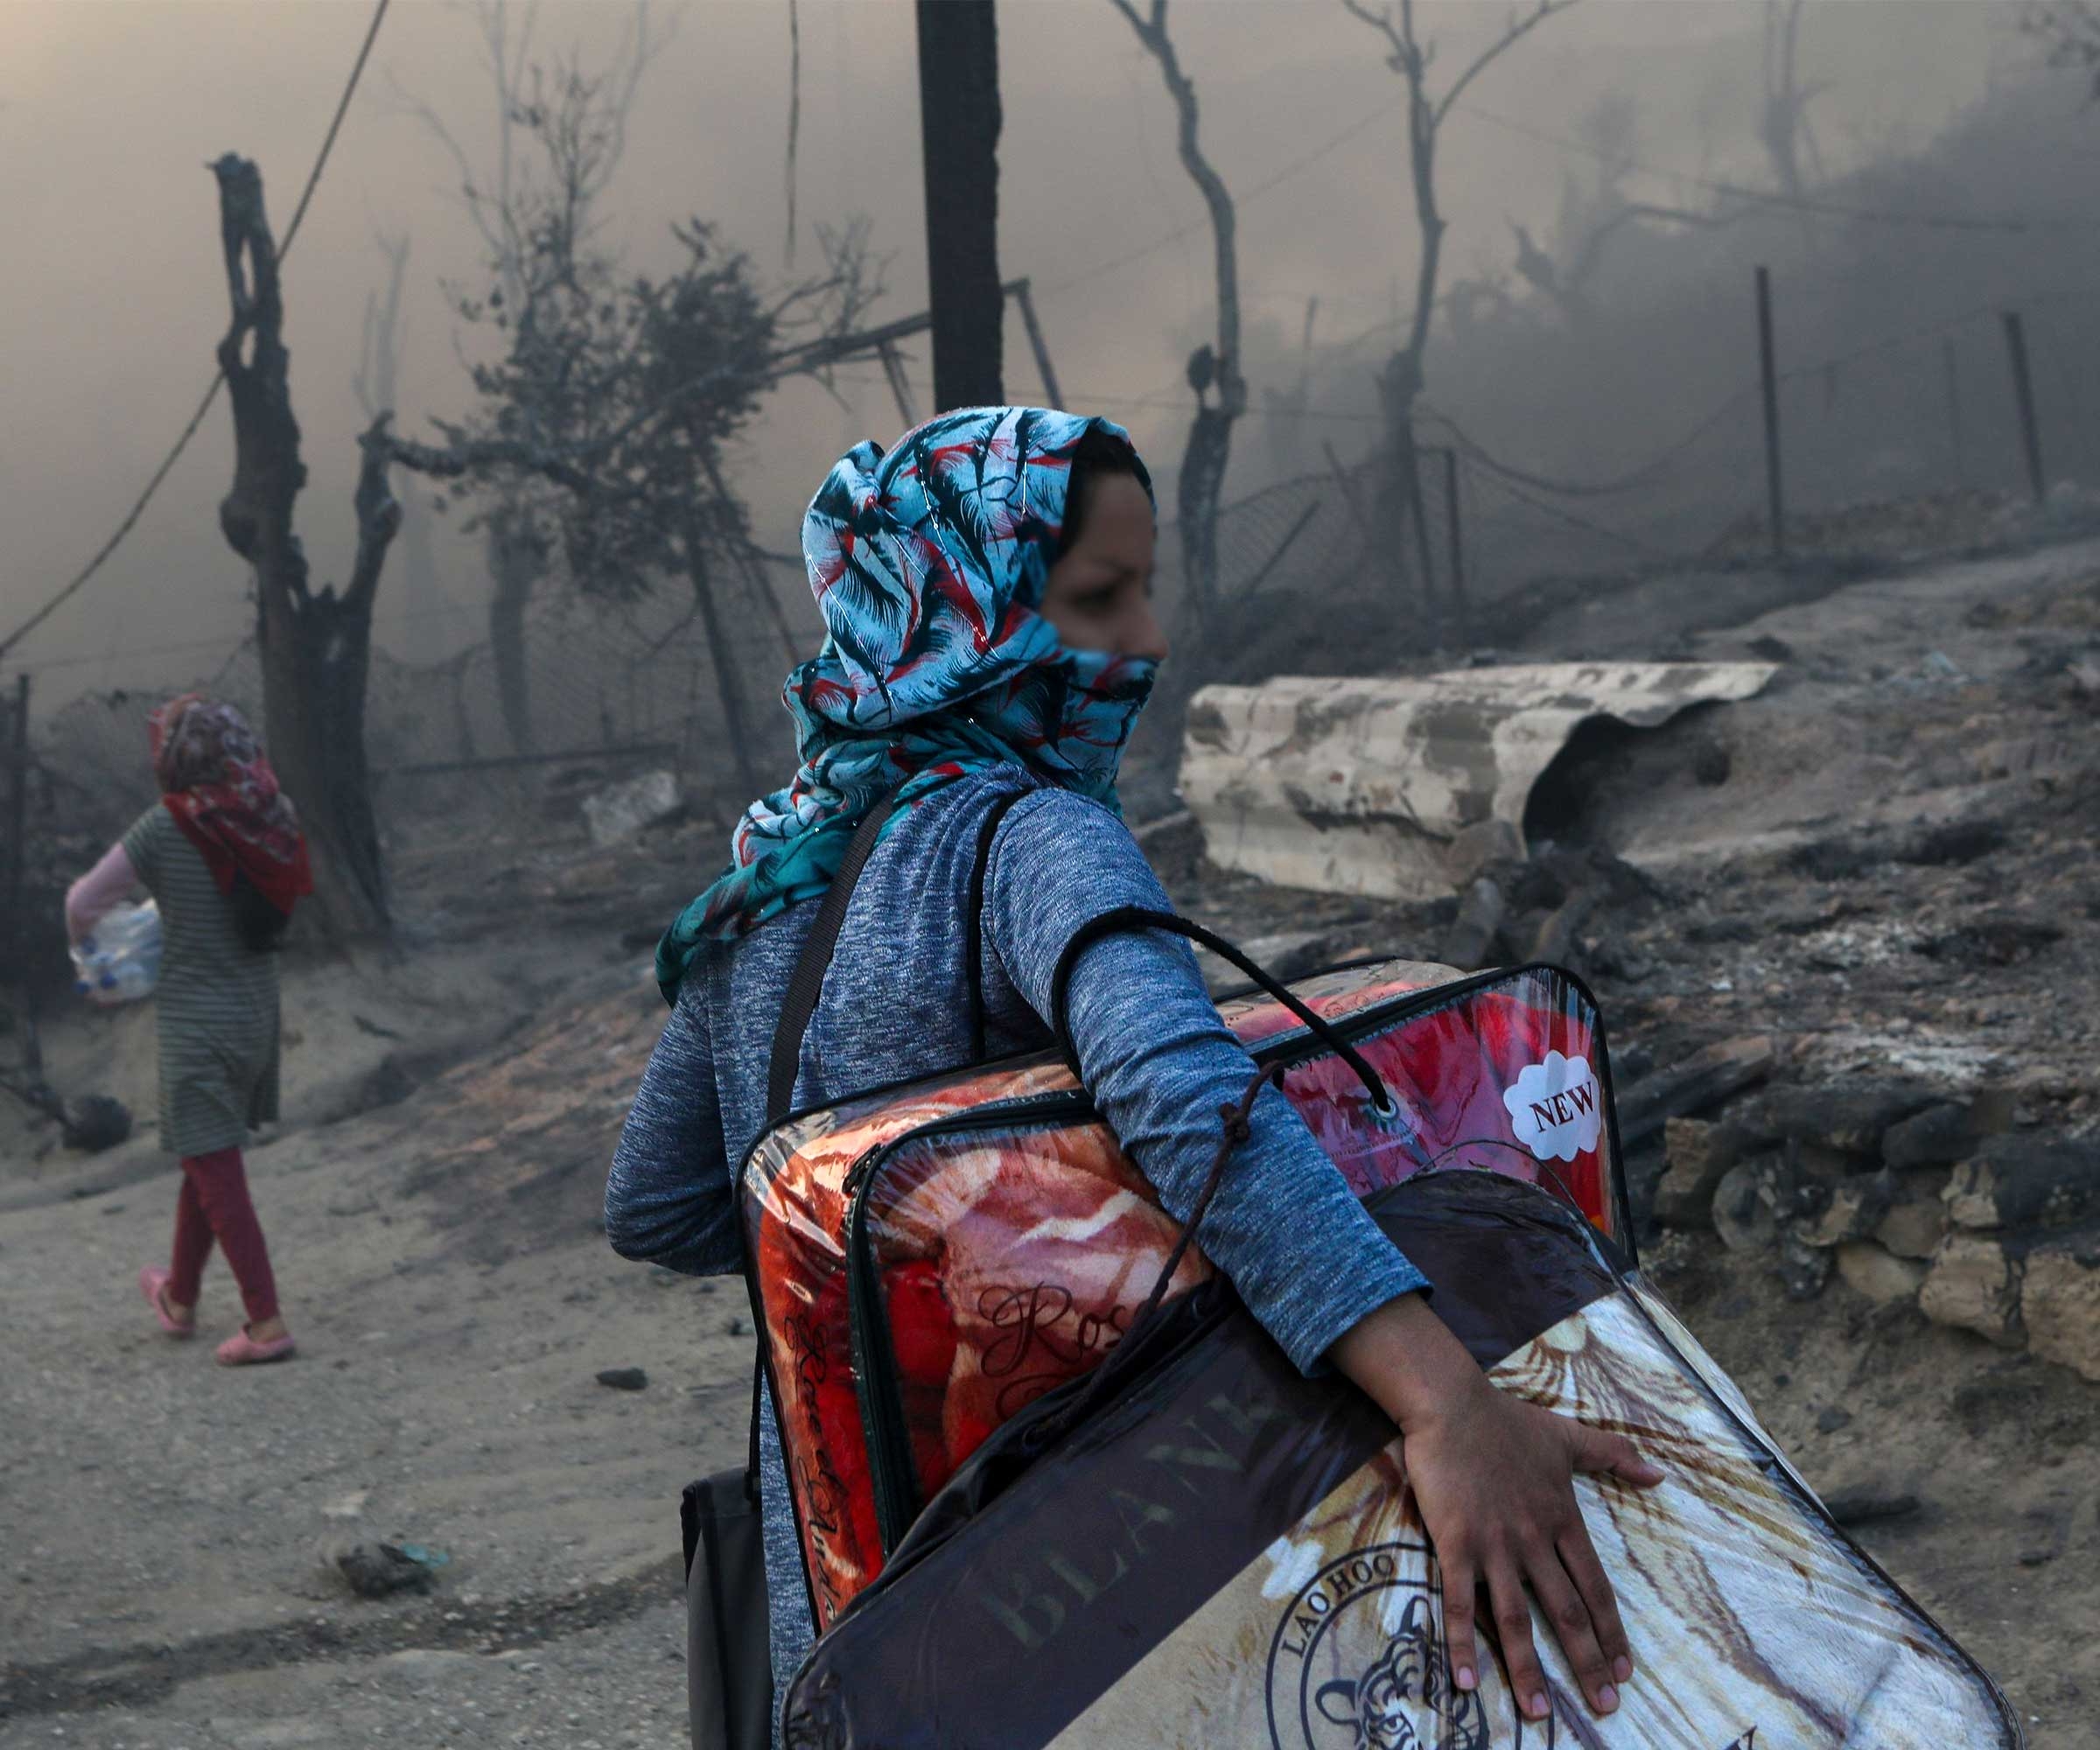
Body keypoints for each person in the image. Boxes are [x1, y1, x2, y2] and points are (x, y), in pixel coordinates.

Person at [606, 407, 1662, 1739]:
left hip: (849, 1563)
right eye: (1101, 599)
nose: (1148, 643)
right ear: (968, 615)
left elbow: (658, 1208)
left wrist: (884, 1259)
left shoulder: (767, 887)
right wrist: (1446, 1402)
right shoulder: (1036, 835)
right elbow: (1184, 1102)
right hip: (1077, 1560)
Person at [66, 693, 311, 1367]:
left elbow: (83, 902)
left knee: (216, 1167)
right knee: (205, 1155)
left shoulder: (166, 825)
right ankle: (178, 1297)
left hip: (196, 1021)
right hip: (258, 1014)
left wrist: (92, 957)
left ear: (174, 759)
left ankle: (266, 1323)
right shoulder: (272, 813)